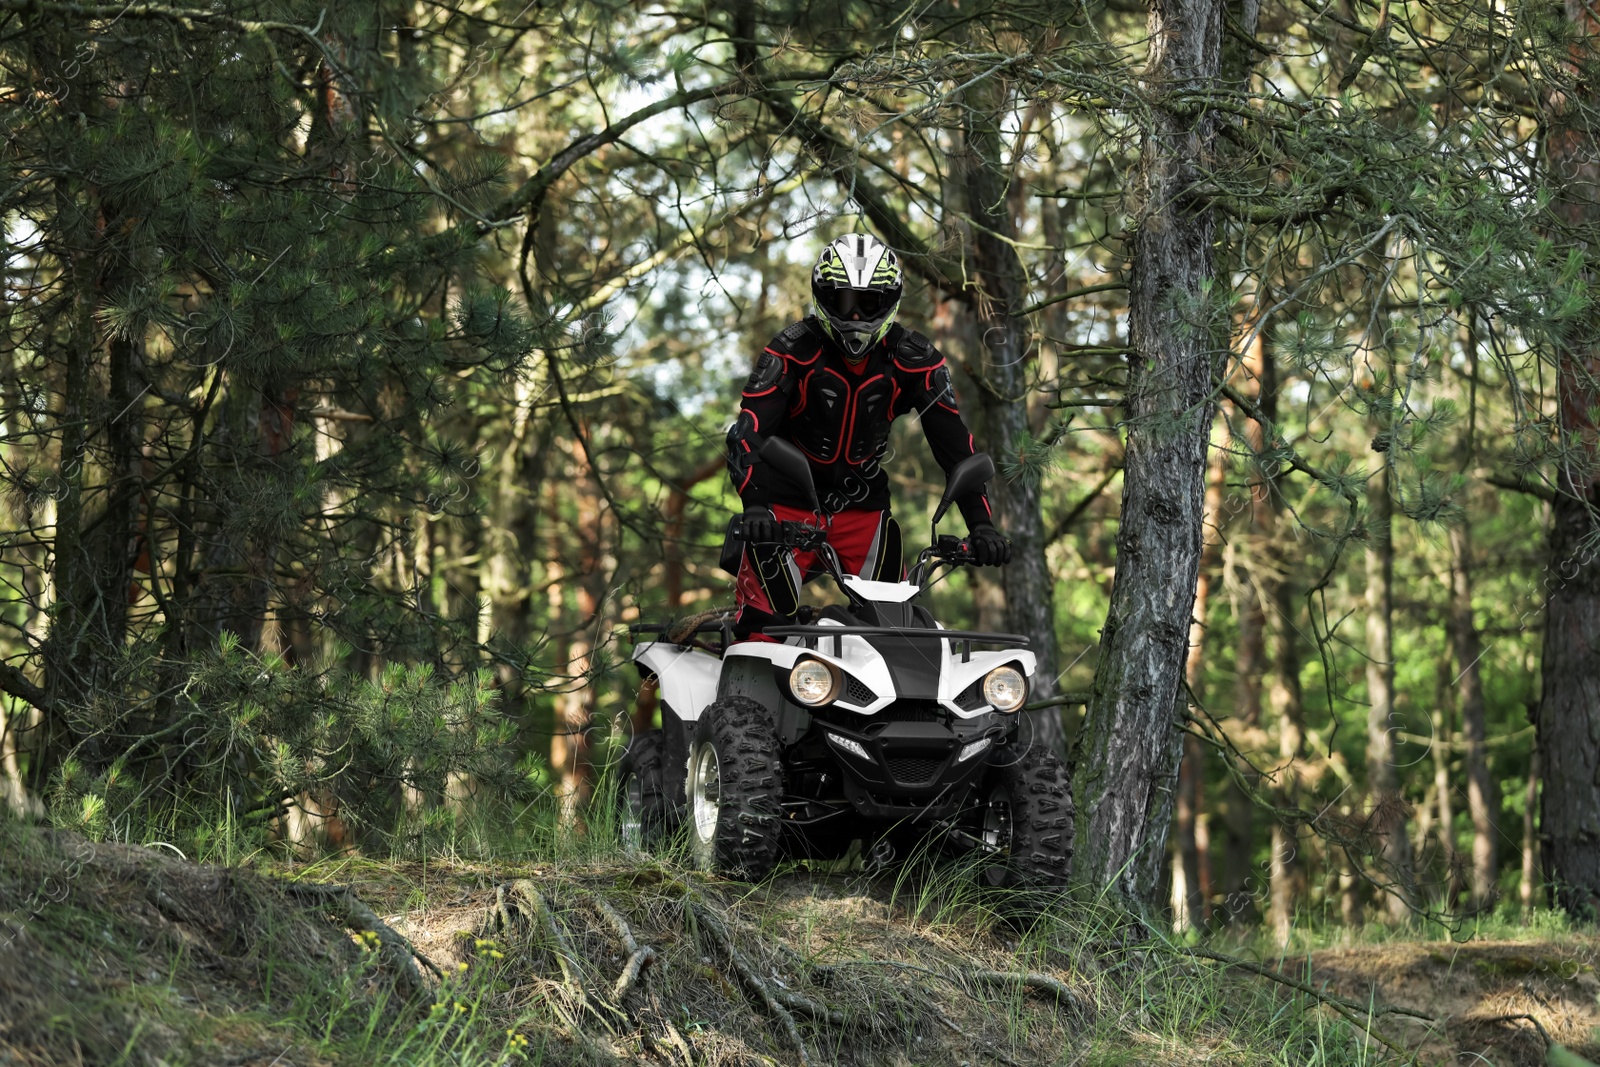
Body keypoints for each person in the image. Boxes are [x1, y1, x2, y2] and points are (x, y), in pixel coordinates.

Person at [725, 232, 1011, 637]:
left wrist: (981, 525)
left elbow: (955, 445)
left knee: (896, 634)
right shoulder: (792, 350)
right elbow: (747, 432)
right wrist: (754, 508)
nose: (856, 317)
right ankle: (738, 700)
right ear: (822, 297)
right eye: (844, 302)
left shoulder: (916, 360)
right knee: (762, 631)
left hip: (864, 512)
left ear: (890, 301)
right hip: (781, 512)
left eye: (869, 303)